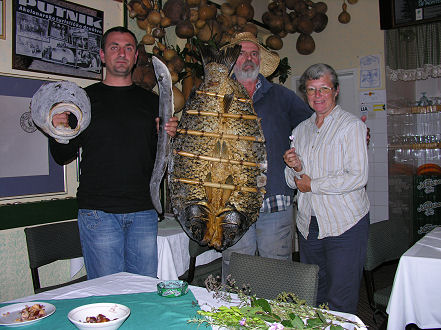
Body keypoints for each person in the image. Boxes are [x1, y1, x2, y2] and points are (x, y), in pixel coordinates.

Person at [49, 26, 178, 279]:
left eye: (128, 48)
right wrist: (59, 128)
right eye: (114, 47)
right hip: (99, 213)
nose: (122, 53)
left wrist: (168, 137)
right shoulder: (82, 100)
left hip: (143, 211)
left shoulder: (153, 103)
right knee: (106, 295)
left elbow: (159, 160)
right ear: (103, 55)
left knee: (143, 293)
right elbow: (62, 156)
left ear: (135, 57)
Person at [220, 32, 313, 281]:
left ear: (260, 59)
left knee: (277, 269)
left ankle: (277, 320)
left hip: (275, 200)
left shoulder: (282, 97)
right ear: (232, 59)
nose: (248, 59)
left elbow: (315, 127)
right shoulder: (217, 97)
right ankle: (231, 319)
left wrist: (347, 132)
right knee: (236, 270)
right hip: (231, 203)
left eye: (254, 53)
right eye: (241, 53)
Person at [283, 63, 369, 313]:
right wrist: (294, 167)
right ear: (305, 94)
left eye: (324, 89)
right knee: (315, 292)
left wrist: (313, 184)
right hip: (309, 223)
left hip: (345, 223)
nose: (317, 95)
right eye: (311, 90)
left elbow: (358, 177)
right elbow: (294, 182)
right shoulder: (300, 130)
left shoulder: (351, 127)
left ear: (336, 91)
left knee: (340, 295)